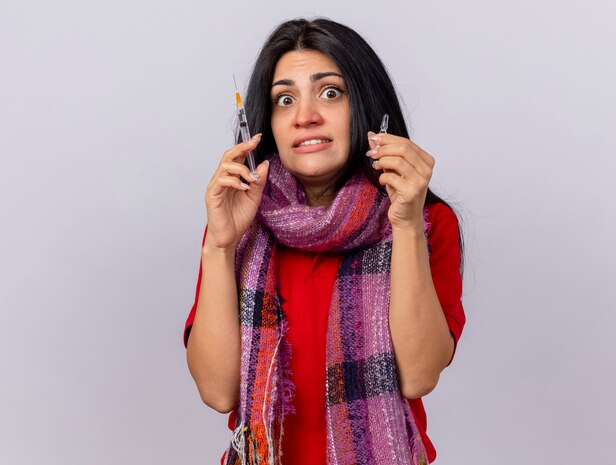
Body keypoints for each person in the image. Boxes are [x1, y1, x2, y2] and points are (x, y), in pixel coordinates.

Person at [183, 18, 465, 465]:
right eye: (285, 99)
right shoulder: (241, 224)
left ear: (367, 107)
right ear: (266, 123)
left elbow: (419, 375)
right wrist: (219, 246)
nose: (305, 115)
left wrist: (407, 223)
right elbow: (218, 392)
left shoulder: (427, 222)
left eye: (330, 92)